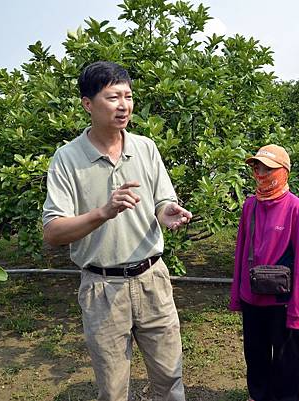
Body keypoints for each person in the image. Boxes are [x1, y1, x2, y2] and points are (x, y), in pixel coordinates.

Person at [42, 61, 192, 401]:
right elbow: (52, 232)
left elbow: (162, 198)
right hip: (102, 287)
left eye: (128, 96)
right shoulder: (67, 159)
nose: (123, 105)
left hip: (152, 279)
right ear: (87, 103)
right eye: (112, 97)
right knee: (112, 389)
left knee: (170, 378)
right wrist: (104, 212)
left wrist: (166, 212)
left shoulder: (145, 148)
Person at [229, 144, 299, 401]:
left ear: (284, 172)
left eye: (269, 168)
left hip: (281, 301)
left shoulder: (295, 208)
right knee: (255, 355)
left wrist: (297, 311)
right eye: (258, 167)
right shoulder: (250, 206)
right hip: (253, 297)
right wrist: (237, 296)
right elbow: (241, 252)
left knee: (286, 360)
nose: (262, 173)